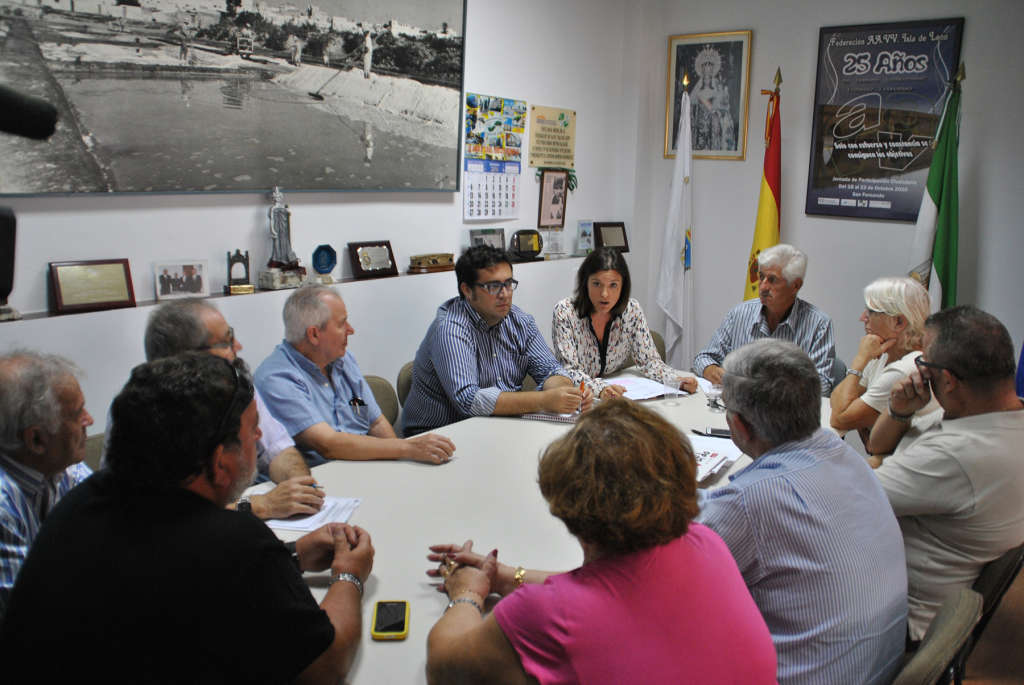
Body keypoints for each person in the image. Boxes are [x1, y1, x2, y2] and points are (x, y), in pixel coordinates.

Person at [0, 353, 373, 682]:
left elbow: (176, 582)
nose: (260, 435)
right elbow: (323, 667)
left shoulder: (79, 503)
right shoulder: (234, 541)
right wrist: (348, 574)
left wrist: (292, 555)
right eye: (252, 429)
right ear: (219, 461)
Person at [424, 399, 777, 684]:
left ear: (569, 509)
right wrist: (505, 576)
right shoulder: (705, 542)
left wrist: (467, 593)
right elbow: (612, 588)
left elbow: (445, 668)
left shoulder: (547, 614)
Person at [698, 339, 906, 684]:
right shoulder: (845, 455)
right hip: (878, 667)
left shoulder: (750, 502)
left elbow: (672, 557)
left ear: (739, 424)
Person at [868, 305, 1024, 641]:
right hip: (925, 594)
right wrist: (900, 412)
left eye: (922, 361)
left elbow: (849, 498)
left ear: (948, 380)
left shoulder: (958, 454)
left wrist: (876, 464)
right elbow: (876, 446)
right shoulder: (982, 414)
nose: (918, 370)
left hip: (896, 618)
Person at [136, 298, 323, 520]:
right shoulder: (141, 409)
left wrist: (299, 487)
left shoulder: (236, 385)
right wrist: (260, 505)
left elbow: (278, 450)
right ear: (188, 358)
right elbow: (162, 514)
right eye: (226, 342)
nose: (238, 347)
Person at [400, 246, 590, 436]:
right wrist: (544, 400)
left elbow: (551, 370)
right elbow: (469, 400)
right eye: (493, 286)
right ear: (467, 290)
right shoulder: (450, 328)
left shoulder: (520, 321)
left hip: (499, 425)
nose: (505, 294)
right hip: (438, 433)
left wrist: (566, 394)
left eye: (508, 283)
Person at [256, 284, 455, 466]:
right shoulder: (277, 379)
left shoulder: (342, 359)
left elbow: (375, 422)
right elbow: (328, 444)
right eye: (342, 324)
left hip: (362, 468)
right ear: (314, 334)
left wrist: (402, 464)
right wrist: (408, 448)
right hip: (320, 478)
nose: (351, 330)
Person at [0, 351, 93, 619]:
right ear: (36, 440)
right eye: (77, 414)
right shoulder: (3, 506)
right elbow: (31, 612)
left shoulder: (67, 469)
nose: (89, 420)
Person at [552, 247, 698, 399]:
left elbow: (649, 361)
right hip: (581, 399)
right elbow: (569, 371)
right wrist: (601, 389)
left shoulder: (632, 310)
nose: (604, 294)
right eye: (596, 284)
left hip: (619, 396)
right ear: (585, 283)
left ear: (623, 286)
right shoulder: (565, 312)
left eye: (613, 285)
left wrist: (675, 380)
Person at [693, 243, 836, 394]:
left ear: (795, 285)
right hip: (738, 403)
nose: (762, 287)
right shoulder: (740, 314)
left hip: (787, 407)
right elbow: (703, 358)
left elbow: (822, 386)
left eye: (772, 280)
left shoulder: (818, 324)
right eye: (761, 277)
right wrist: (712, 370)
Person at [830, 276, 939, 445]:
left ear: (898, 322)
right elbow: (837, 401)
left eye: (871, 312)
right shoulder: (881, 353)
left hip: (905, 459)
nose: (862, 318)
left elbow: (839, 419)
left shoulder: (907, 369)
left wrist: (859, 360)